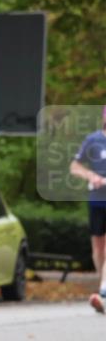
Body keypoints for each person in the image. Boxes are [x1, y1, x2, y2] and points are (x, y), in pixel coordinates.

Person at [69, 105, 106, 314]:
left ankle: (103, 291)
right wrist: (91, 176)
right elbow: (75, 167)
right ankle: (103, 286)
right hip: (96, 201)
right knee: (99, 247)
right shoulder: (93, 140)